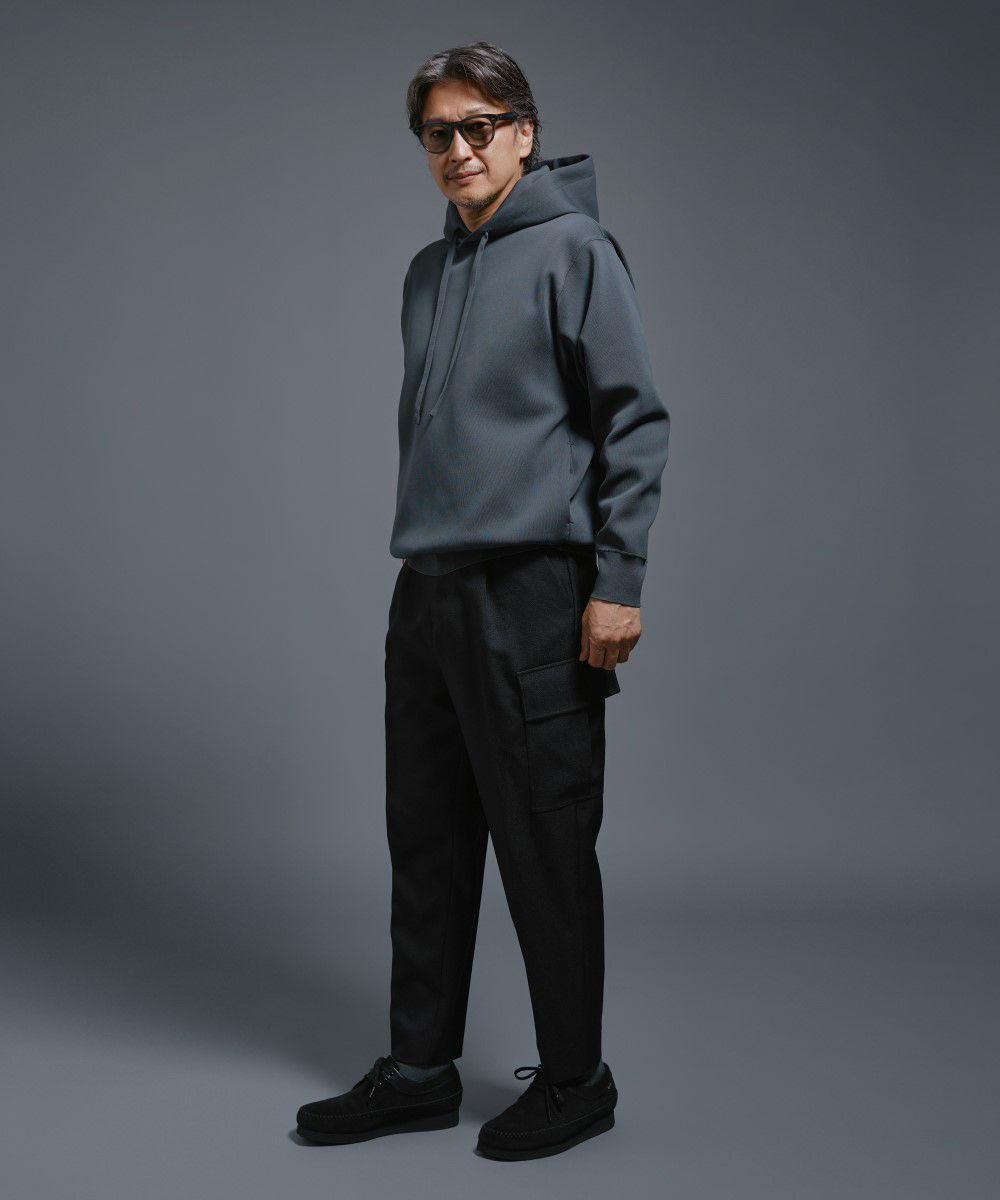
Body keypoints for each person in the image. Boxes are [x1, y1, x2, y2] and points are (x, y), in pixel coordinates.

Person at [296, 40, 670, 1161]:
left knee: (544, 840)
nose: (457, 149)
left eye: (478, 127)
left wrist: (617, 583)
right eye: (437, 133)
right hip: (427, 594)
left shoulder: (577, 251)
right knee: (426, 838)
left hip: (533, 592)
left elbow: (634, 420)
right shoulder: (429, 270)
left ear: (522, 132)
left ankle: (577, 1080)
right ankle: (419, 1070)